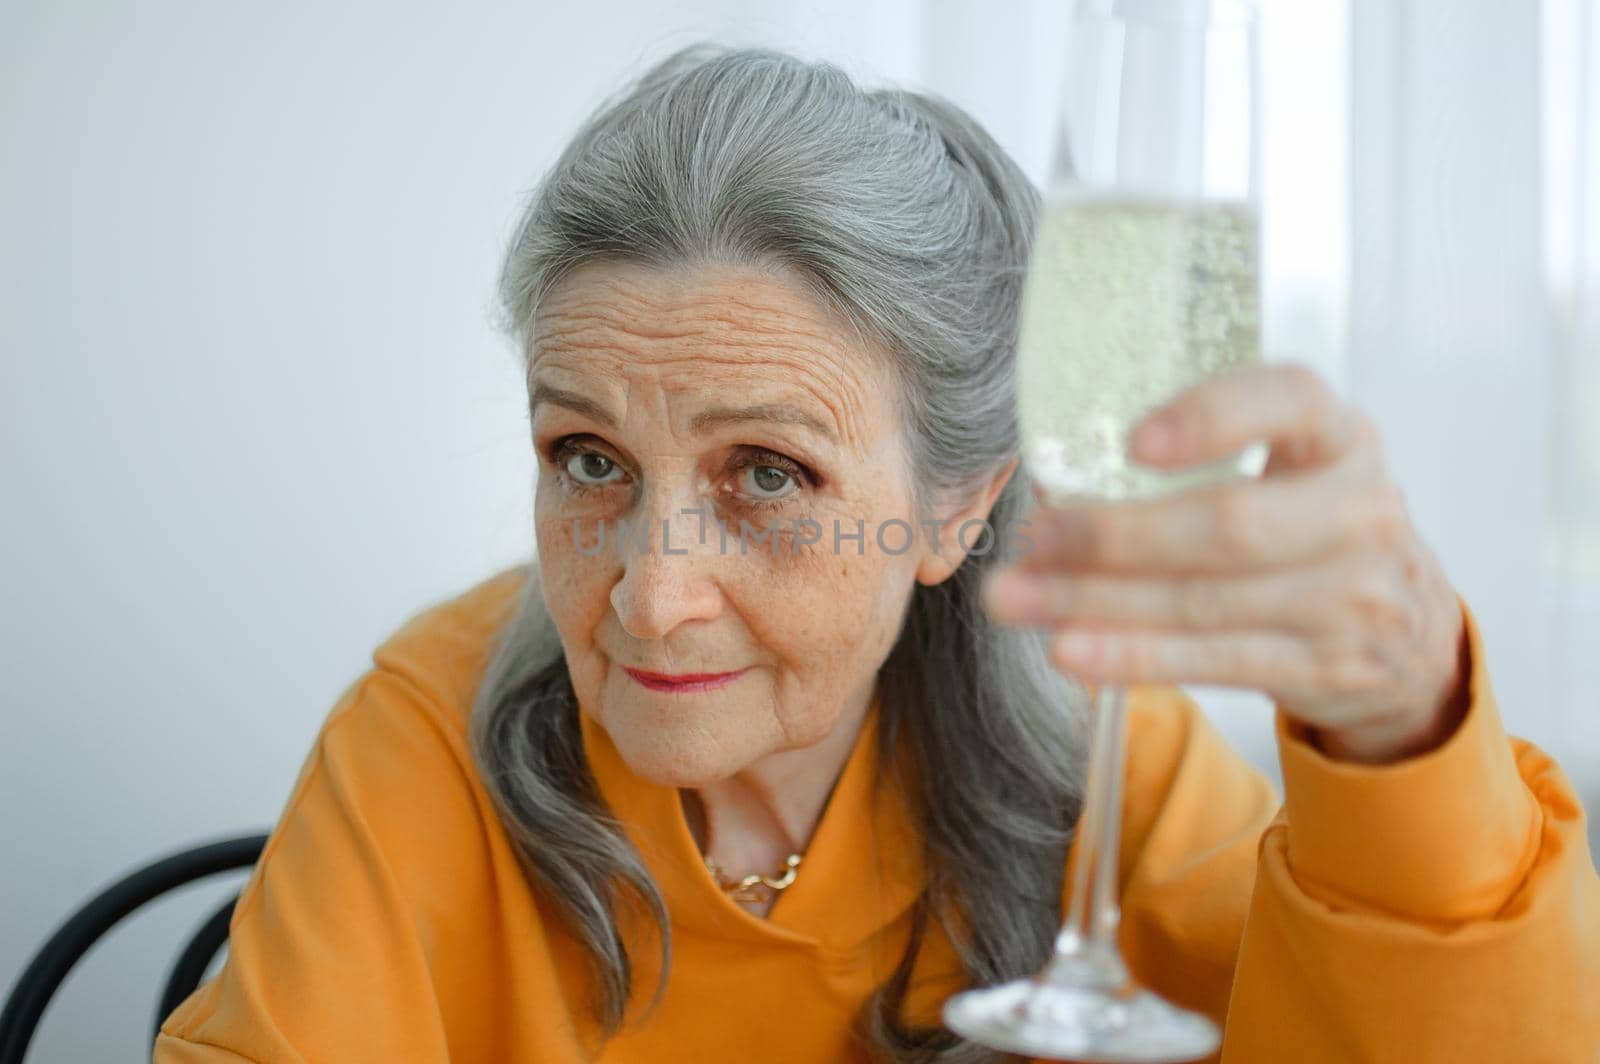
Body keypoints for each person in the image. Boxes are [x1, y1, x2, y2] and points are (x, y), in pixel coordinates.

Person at [154, 44, 1600, 1063]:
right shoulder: (430, 730)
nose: (650, 593)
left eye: (769, 473)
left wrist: (1403, 732)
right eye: (586, 458)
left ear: (961, 508)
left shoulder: (1114, 766)